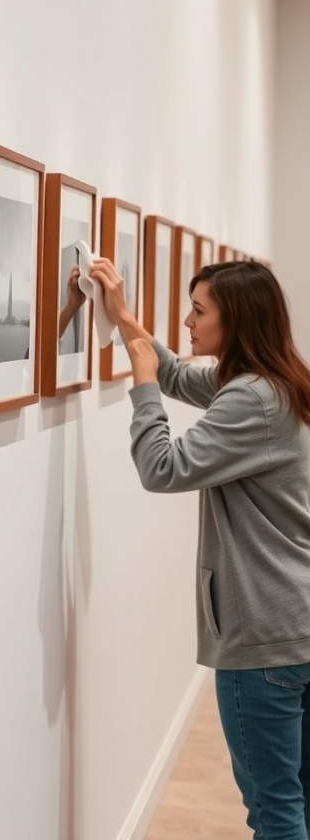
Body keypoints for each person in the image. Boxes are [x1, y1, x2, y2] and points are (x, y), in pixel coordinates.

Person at [91, 256, 310, 840]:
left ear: (233, 320)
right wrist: (124, 319)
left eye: (198, 310)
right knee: (297, 801)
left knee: (275, 813)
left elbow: (161, 468)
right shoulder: (273, 382)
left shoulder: (251, 401)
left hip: (264, 637)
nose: (187, 322)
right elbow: (181, 375)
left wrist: (140, 391)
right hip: (294, 625)